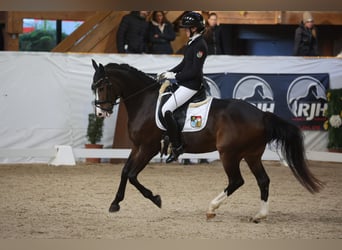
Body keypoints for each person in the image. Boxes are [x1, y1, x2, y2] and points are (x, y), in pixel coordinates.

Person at [159, 12, 208, 163]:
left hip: (192, 85)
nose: (185, 31)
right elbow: (184, 64)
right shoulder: (192, 42)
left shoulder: (200, 45)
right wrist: (169, 71)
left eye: (187, 28)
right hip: (185, 83)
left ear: (194, 28)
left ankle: (177, 146)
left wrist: (175, 77)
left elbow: (193, 71)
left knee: (166, 110)